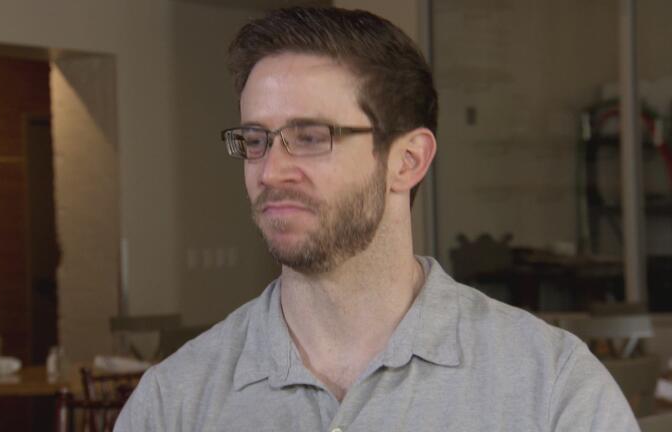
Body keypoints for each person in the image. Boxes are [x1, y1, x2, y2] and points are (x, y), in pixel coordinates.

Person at [115, 6, 639, 431]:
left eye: (310, 137)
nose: (270, 171)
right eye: (256, 140)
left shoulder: (551, 388)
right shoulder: (173, 402)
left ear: (407, 161)